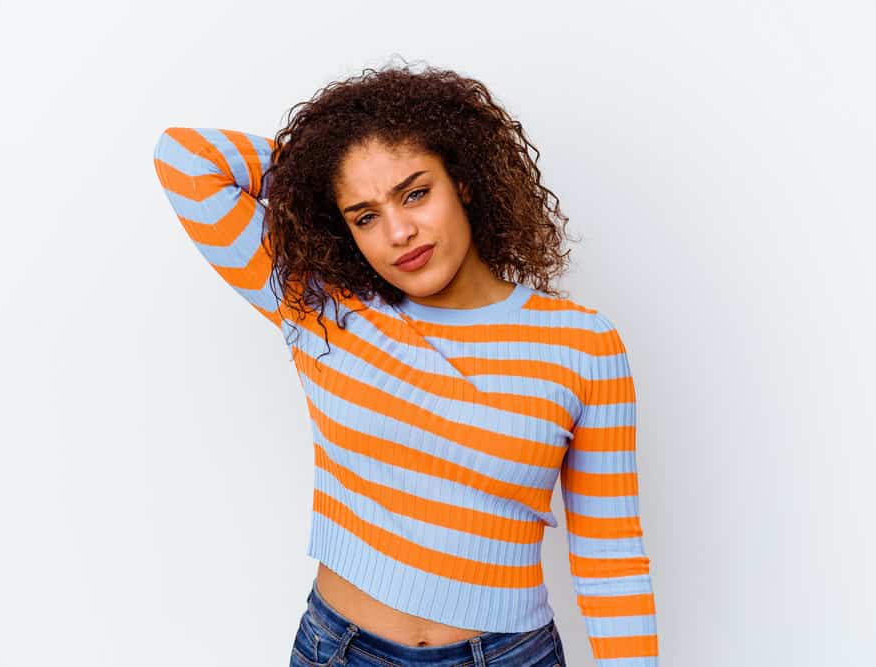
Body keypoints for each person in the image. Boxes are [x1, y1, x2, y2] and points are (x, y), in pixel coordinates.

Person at [153, 61, 659, 666]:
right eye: (364, 215)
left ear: (465, 181)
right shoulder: (319, 303)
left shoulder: (582, 344)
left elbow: (611, 556)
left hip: (508, 656)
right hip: (340, 649)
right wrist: (330, 167)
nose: (398, 232)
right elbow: (184, 161)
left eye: (415, 192)